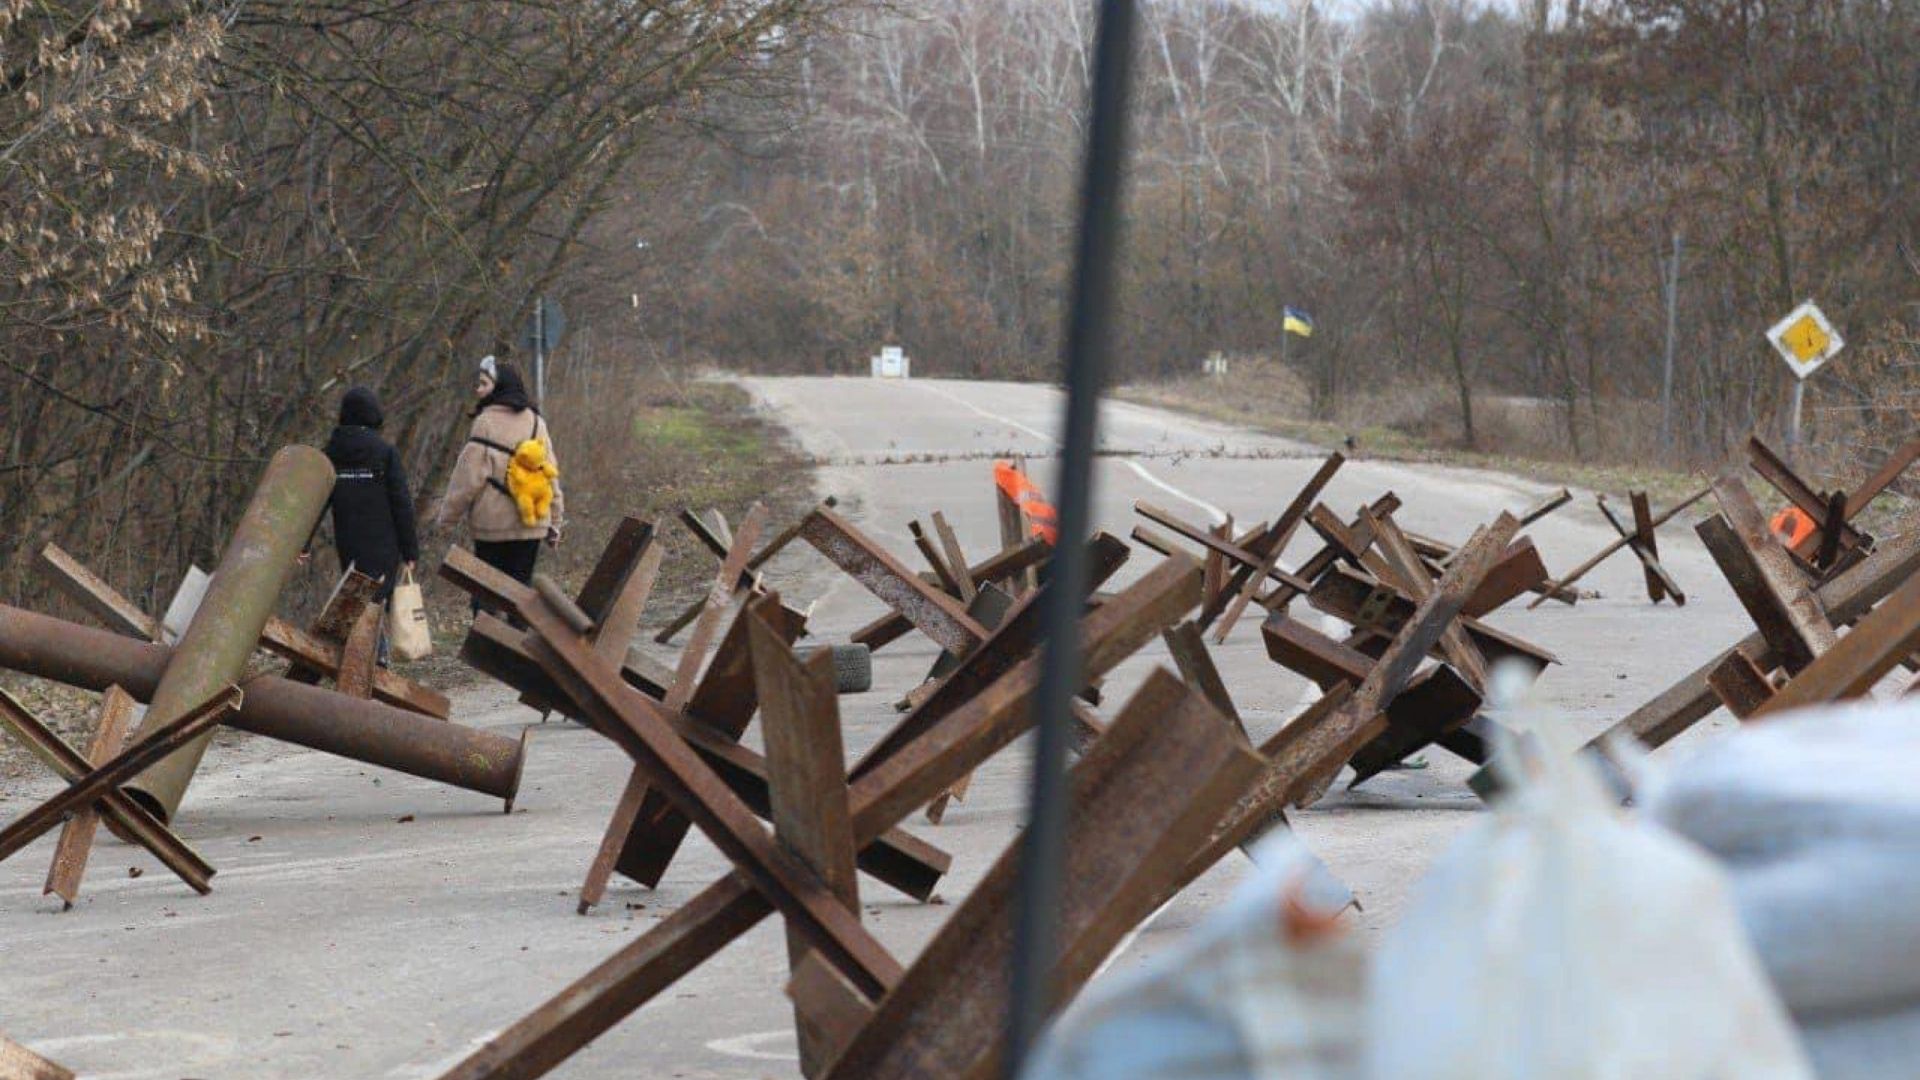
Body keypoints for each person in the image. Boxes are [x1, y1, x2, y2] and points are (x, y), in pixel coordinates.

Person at [434, 357, 563, 607]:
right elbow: (550, 475)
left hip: (491, 526)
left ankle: (485, 643)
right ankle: (516, 643)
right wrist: (555, 522)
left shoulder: (485, 423)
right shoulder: (537, 423)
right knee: (521, 596)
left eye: (484, 384)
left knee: (485, 593)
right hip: (532, 524)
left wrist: (447, 520)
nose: (478, 389)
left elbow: (466, 480)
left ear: (500, 386)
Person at [314, 386, 421, 604]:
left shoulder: (329, 454)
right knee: (377, 605)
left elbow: (315, 503)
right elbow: (401, 504)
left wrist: (303, 545)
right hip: (383, 542)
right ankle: (367, 638)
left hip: (348, 540)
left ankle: (353, 636)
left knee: (356, 600)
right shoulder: (384, 452)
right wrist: (410, 550)